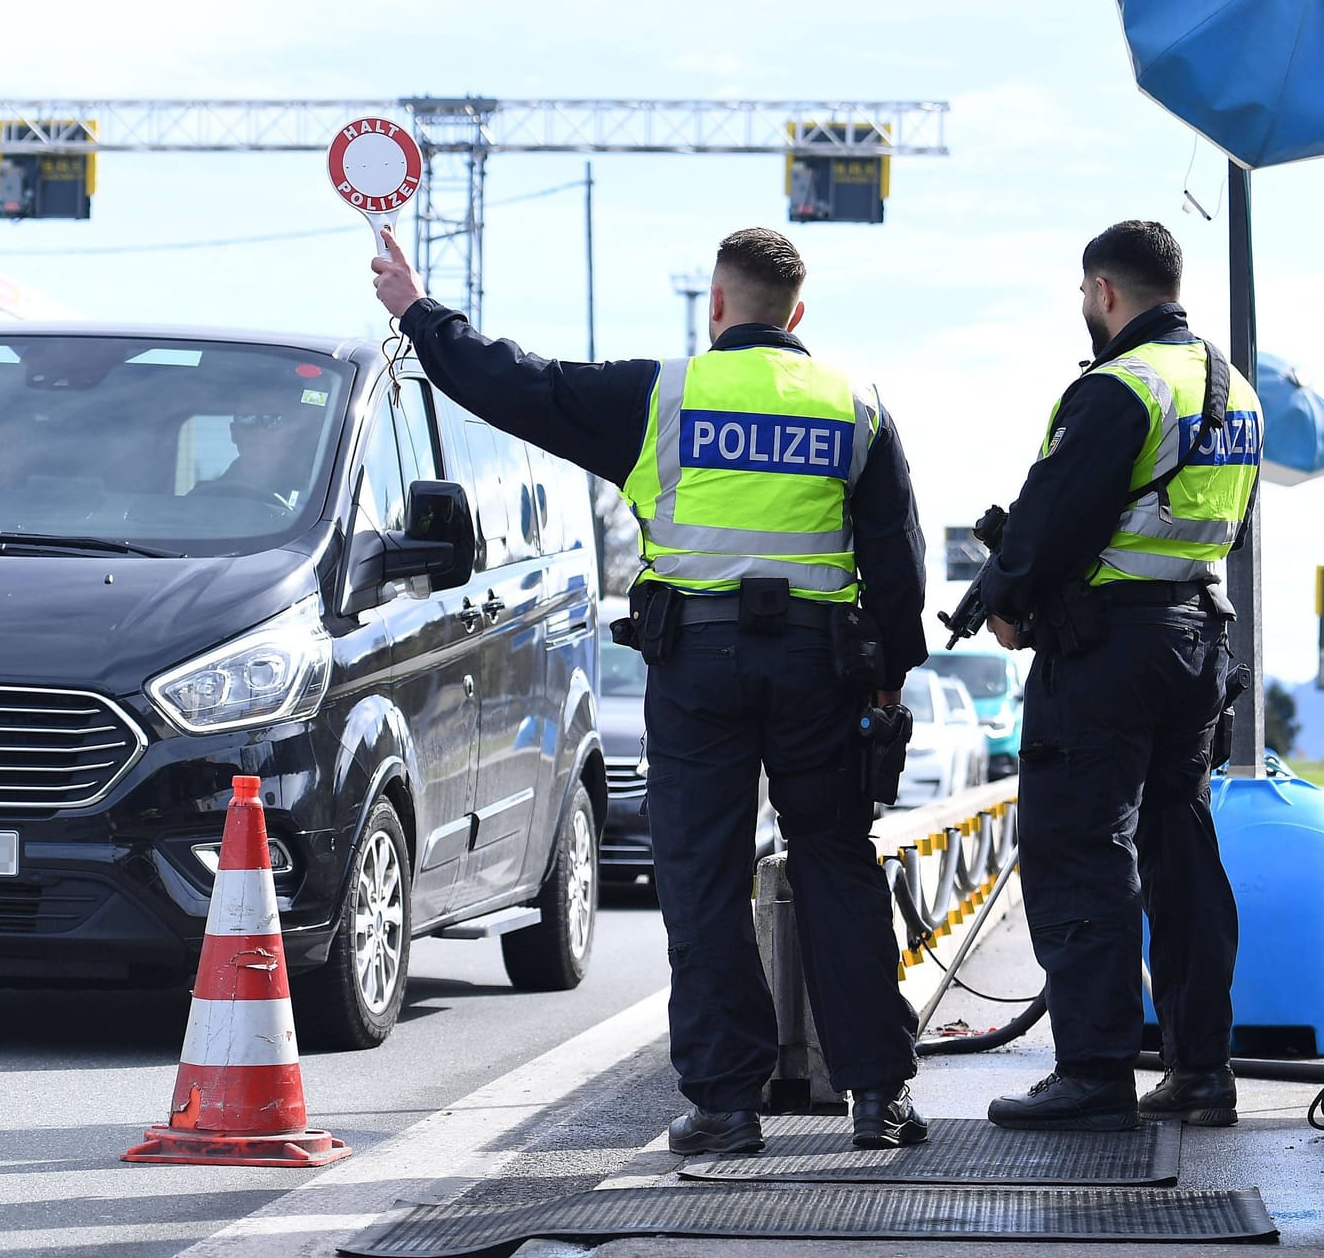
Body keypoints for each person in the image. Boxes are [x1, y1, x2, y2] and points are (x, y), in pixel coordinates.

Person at [371, 225, 931, 1154]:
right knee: (836, 867)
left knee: (702, 880)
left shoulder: (663, 395)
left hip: (697, 666)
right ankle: (876, 1097)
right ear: (797, 316)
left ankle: (726, 1105)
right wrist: (888, 681)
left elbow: (519, 383)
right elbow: (898, 564)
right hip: (818, 669)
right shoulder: (855, 404)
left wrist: (419, 313)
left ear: (717, 306)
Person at [980, 221, 1262, 1131]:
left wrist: (1009, 597)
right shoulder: (1233, 390)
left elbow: (1052, 520)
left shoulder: (1117, 388)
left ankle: (1095, 1075)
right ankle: (1201, 1070)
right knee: (1179, 850)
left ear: (1104, 292)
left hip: (1109, 654)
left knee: (1078, 849)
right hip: (1196, 639)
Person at [188, 406, 324, 510]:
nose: (259, 430)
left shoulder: (317, 503)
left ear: (290, 435)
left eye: (273, 419)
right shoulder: (202, 499)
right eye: (247, 418)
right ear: (233, 432)